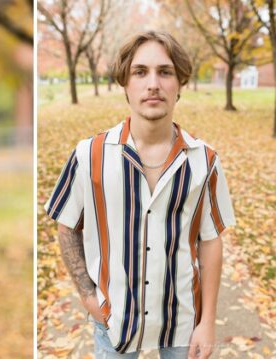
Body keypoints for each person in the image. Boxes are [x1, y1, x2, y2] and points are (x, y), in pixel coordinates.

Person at [45, 31, 236, 359]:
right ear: (125, 83)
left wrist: (207, 322)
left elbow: (210, 240)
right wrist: (90, 299)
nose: (153, 84)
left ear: (180, 84)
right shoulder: (89, 155)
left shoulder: (204, 161)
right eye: (140, 72)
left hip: (182, 323)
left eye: (165, 72)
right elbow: (67, 228)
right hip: (115, 323)